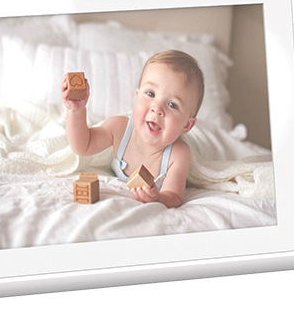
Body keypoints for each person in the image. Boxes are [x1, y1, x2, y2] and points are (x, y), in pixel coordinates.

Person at [62, 50, 204, 208]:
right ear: (137, 96)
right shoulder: (119, 128)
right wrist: (76, 111)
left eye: (172, 104)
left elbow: (174, 197)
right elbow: (83, 146)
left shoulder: (178, 154)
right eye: (150, 94)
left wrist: (157, 198)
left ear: (186, 125)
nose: (157, 108)